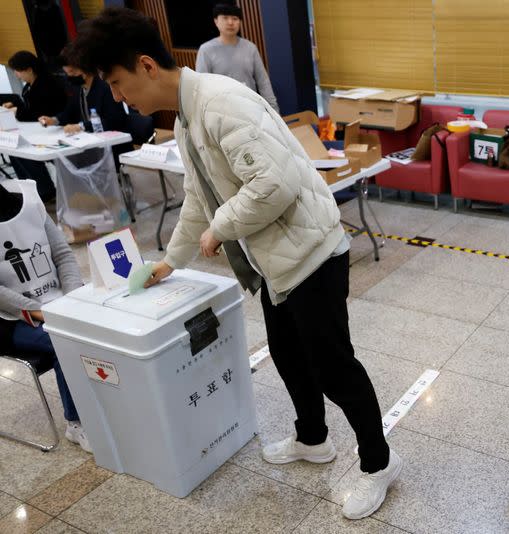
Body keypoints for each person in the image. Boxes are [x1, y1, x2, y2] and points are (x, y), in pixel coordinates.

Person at [72, 8, 401, 520]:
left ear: (145, 66)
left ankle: (379, 464)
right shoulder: (186, 117)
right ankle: (313, 440)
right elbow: (200, 198)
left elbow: (275, 186)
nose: (118, 98)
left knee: (334, 370)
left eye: (117, 83)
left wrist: (220, 228)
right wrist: (169, 261)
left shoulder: (221, 103)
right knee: (290, 359)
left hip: (312, 254)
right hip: (276, 263)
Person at [0, 179, 92, 453]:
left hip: (58, 300)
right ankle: (76, 422)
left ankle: (104, 403)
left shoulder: (28, 198)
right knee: (62, 341)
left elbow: (62, 254)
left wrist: (74, 299)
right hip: (10, 318)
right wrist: (38, 312)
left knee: (101, 327)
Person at [38, 45, 133, 164]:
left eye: (72, 72)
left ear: (86, 68)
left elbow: (114, 121)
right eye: (67, 73)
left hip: (111, 147)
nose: (70, 76)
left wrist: (81, 126)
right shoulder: (78, 88)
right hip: (88, 144)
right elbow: (69, 112)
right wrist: (53, 120)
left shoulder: (105, 88)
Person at [1, 51, 67, 202]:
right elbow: (28, 107)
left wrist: (17, 110)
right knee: (14, 148)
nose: (17, 75)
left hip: (53, 129)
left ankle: (45, 190)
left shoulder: (47, 84)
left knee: (24, 149)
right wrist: (16, 105)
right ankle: (30, 188)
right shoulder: (29, 86)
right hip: (36, 129)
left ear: (29, 69)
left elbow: (36, 112)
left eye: (18, 71)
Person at [195, 3, 280, 113]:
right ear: (216, 21)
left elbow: (263, 82)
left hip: (251, 108)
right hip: (222, 112)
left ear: (239, 22)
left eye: (235, 18)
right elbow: (202, 87)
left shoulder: (250, 47)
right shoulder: (206, 50)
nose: (230, 22)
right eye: (225, 18)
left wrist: (274, 111)